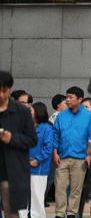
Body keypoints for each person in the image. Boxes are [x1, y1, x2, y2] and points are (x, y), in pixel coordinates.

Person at [53, 86, 91, 218]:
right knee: (59, 187)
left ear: (80, 99)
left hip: (80, 158)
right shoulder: (61, 116)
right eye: (66, 97)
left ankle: (71, 213)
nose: (67, 100)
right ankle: (60, 213)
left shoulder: (90, 116)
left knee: (76, 189)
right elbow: (56, 135)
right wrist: (55, 153)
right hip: (62, 156)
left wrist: (89, 155)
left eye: (70, 97)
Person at [0, 71, 38, 218]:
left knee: (11, 212)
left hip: (11, 172)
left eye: (3, 90)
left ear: (10, 89)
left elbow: (32, 139)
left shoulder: (22, 112)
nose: (1, 94)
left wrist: (12, 139)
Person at [19, 103, 53, 218]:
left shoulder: (47, 128)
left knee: (37, 197)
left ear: (38, 113)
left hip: (38, 168)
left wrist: (37, 160)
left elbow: (48, 149)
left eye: (31, 111)